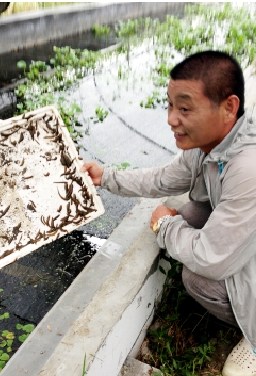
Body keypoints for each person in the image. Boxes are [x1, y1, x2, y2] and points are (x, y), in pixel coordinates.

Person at [81, 50, 256, 376]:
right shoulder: (211, 144)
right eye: (170, 105)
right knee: (192, 211)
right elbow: (163, 179)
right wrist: (105, 177)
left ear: (228, 107)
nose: (171, 119)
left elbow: (212, 258)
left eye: (185, 108)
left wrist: (165, 224)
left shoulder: (247, 167)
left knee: (199, 278)